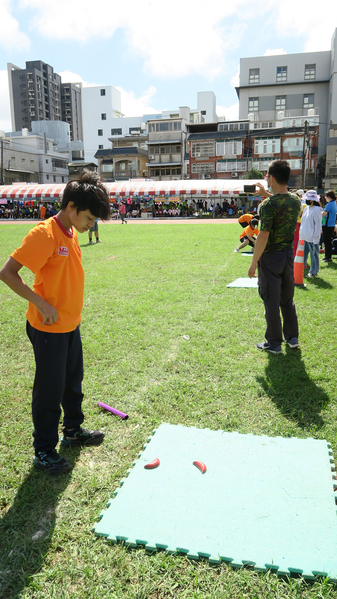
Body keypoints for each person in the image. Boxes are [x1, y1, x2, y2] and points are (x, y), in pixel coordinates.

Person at [0, 170, 111, 475]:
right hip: (48, 328)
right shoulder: (44, 234)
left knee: (72, 382)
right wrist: (40, 302)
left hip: (70, 325)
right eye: (89, 217)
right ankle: (44, 450)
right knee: (49, 390)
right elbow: (7, 272)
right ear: (72, 206)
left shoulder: (72, 232)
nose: (92, 224)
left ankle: (73, 431)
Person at [248, 160, 301, 354]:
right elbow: (283, 202)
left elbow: (263, 235)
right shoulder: (295, 200)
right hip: (288, 256)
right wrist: (266, 194)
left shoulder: (267, 205)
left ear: (270, 177)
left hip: (270, 259)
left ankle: (274, 343)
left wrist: (253, 263)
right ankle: (292, 337)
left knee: (271, 302)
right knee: (287, 299)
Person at [299, 190, 322, 278]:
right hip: (304, 237)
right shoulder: (306, 208)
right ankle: (299, 269)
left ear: (311, 200)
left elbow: (317, 225)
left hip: (312, 238)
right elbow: (303, 222)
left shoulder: (316, 210)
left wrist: (316, 238)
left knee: (314, 256)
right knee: (302, 255)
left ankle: (313, 272)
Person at [321, 190, 337, 263]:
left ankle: (328, 257)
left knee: (327, 241)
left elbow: (323, 214)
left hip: (327, 225)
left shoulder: (329, 204)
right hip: (331, 225)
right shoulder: (334, 203)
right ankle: (327, 256)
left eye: (325, 196)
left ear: (328, 197)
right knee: (328, 241)